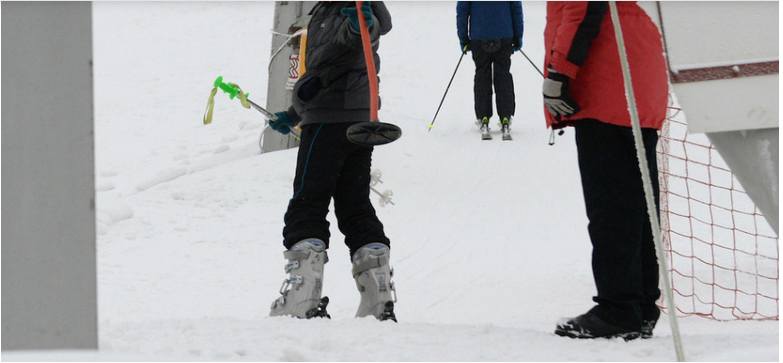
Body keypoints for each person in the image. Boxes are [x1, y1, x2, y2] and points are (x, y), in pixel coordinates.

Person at [541, 2, 668, 340]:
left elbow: (583, 8)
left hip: (607, 79)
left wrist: (560, 72)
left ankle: (619, 308)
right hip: (636, 76)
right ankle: (640, 306)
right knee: (638, 204)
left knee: (611, 205)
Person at [266, 1, 397, 322]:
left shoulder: (345, 7)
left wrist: (361, 25)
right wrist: (295, 113)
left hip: (328, 120)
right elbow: (331, 69)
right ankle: (378, 296)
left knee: (307, 203)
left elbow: (359, 36)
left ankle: (302, 296)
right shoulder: (331, 9)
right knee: (355, 205)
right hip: (357, 120)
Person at [456, 1, 524, 138]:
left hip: (479, 35)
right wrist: (518, 36)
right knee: (503, 75)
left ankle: (483, 117)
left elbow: (462, 11)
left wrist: (463, 39)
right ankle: (505, 116)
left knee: (482, 75)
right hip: (504, 35)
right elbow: (516, 9)